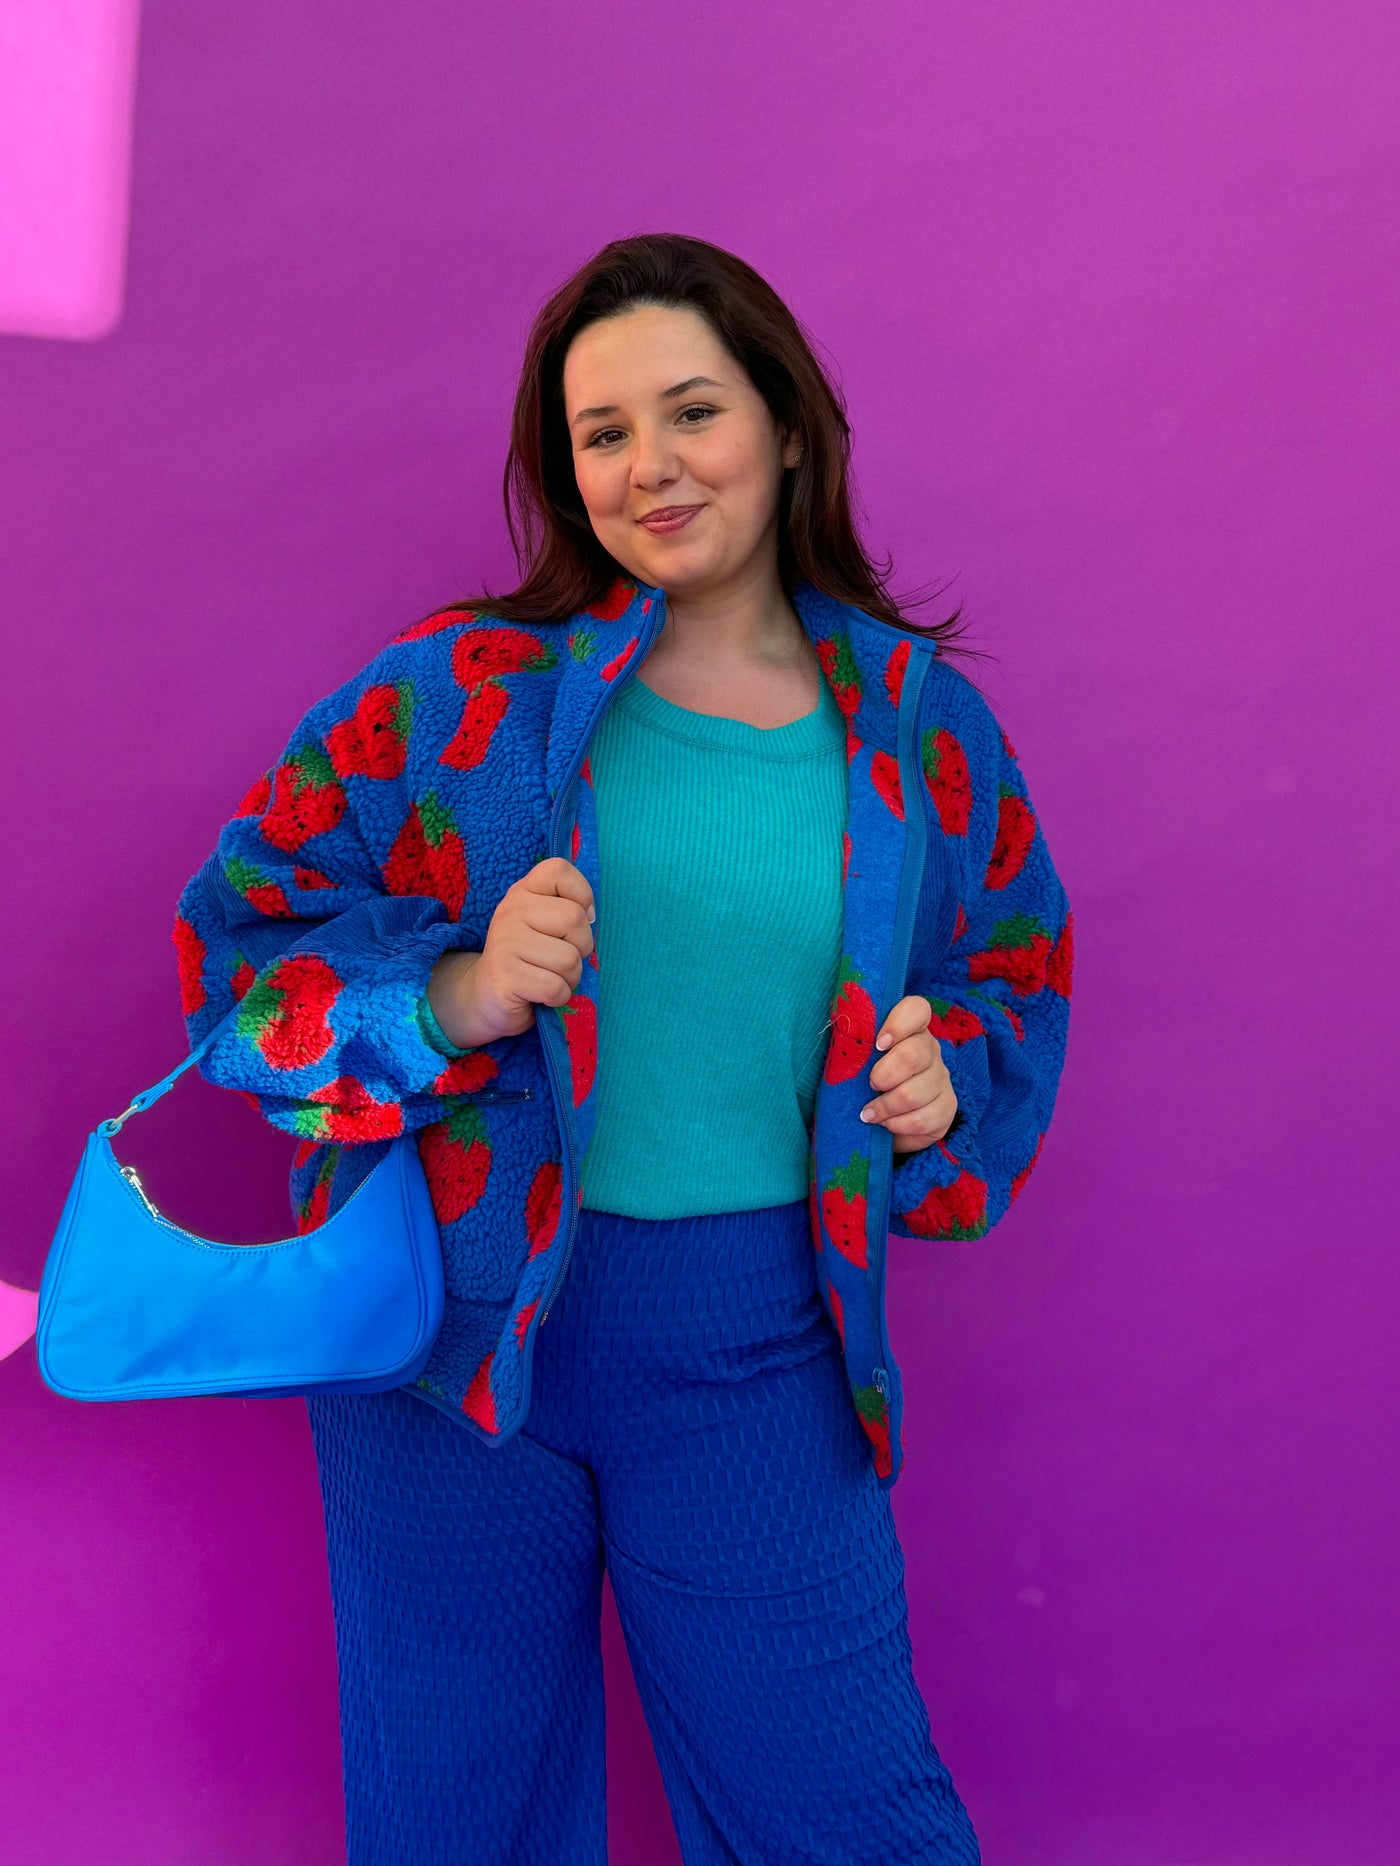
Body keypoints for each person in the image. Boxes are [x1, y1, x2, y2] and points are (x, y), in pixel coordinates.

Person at [173, 232, 1073, 1865]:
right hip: (444, 1343)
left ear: (786, 426)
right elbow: (230, 957)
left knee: (850, 1814)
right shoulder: (458, 694)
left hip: (756, 1340)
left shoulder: (916, 724)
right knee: (456, 1825)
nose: (649, 464)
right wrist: (448, 996)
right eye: (603, 432)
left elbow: (1014, 972)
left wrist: (943, 1080)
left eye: (692, 412)